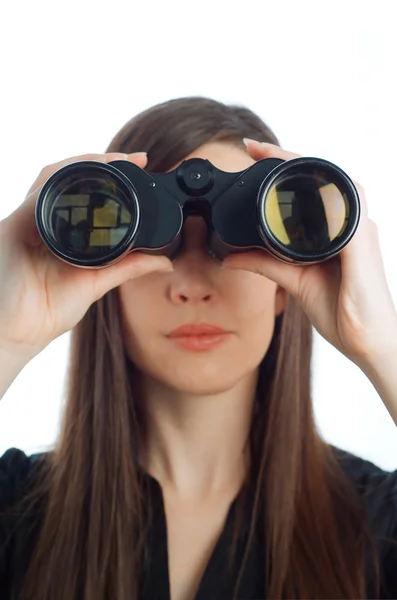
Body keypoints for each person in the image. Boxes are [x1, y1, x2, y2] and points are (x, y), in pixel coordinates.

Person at [0, 96, 396, 600]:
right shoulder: (15, 508)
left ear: (283, 286)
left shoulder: (376, 522)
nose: (191, 287)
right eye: (153, 246)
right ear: (104, 282)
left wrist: (383, 345)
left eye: (233, 246)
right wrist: (4, 334)